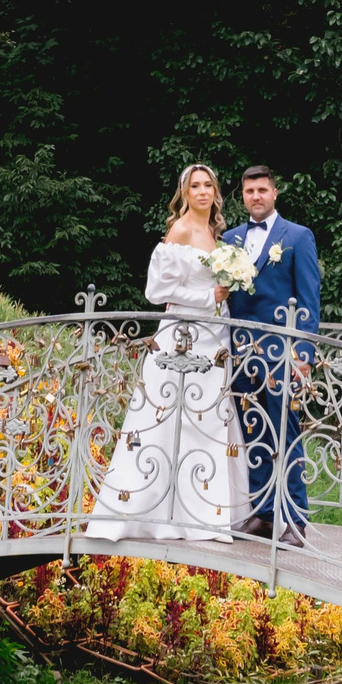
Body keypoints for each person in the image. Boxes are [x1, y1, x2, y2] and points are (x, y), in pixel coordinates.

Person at [87, 164, 247, 542]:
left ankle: (208, 514)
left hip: (215, 337)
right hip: (182, 338)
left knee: (210, 419)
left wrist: (225, 293)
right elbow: (157, 291)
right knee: (169, 417)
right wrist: (209, 296)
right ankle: (153, 512)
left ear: (216, 192)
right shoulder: (180, 230)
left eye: (208, 185)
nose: (203, 192)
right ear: (185, 193)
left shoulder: (217, 234)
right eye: (195, 186)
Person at [224, 165, 322, 546]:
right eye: (250, 191)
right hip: (240, 353)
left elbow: (309, 301)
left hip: (282, 355)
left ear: (274, 193)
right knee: (253, 434)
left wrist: (304, 353)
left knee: (287, 433)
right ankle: (264, 515)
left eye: (262, 190)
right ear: (243, 196)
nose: (256, 197)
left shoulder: (297, 237)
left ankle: (296, 520)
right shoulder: (230, 239)